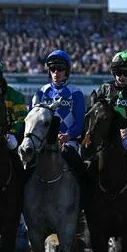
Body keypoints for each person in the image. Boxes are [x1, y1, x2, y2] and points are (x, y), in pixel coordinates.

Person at [31, 49, 87, 177]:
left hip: (68, 142)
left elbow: (80, 122)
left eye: (60, 69)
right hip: (43, 141)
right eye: (52, 69)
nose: (56, 72)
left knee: (82, 173)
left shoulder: (76, 93)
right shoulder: (41, 92)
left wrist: (67, 135)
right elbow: (32, 120)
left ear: (66, 71)